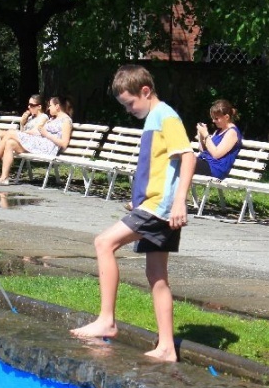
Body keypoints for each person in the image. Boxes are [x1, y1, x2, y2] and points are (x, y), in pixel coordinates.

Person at [70, 65, 196, 362]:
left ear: (145, 91)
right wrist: (137, 200)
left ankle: (107, 319)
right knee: (156, 275)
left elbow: (188, 156)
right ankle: (166, 347)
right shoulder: (155, 117)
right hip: (151, 204)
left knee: (104, 243)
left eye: (129, 103)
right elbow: (159, 167)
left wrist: (180, 202)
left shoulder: (165, 115)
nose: (128, 109)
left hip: (160, 207)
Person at [0, 96, 74, 185]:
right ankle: (4, 177)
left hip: (47, 147)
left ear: (57, 106)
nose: (48, 108)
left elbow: (64, 144)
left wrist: (47, 134)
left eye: (50, 105)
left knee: (11, 133)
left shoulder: (66, 120)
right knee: (10, 143)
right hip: (39, 142)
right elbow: (40, 132)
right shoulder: (53, 119)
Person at [0, 94, 48, 180]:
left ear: (39, 106)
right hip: (25, 141)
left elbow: (35, 132)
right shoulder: (31, 117)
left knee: (6, 134)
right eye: (28, 104)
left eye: (32, 105)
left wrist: (19, 133)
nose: (29, 107)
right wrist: (22, 123)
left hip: (33, 144)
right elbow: (23, 132)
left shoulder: (43, 117)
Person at [194, 99, 243, 178]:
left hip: (215, 169)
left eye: (216, 118)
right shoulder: (218, 131)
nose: (213, 121)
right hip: (206, 163)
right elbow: (203, 151)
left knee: (186, 160)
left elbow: (216, 154)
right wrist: (201, 136)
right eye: (213, 118)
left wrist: (206, 135)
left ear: (226, 117)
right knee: (180, 159)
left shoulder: (232, 133)